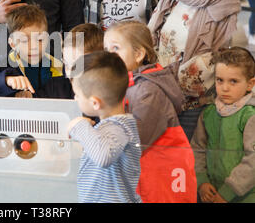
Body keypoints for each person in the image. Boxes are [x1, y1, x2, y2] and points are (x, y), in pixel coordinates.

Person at [148, 0, 241, 141]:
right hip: (156, 93)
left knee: (187, 166)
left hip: (194, 104)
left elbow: (216, 57)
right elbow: (153, 32)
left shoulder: (224, 0)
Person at [104, 20, 197, 203]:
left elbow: (139, 138)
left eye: (115, 49)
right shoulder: (128, 84)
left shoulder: (148, 90)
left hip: (162, 175)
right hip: (146, 173)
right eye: (106, 50)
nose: (109, 56)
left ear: (138, 54)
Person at [67, 51, 141, 203]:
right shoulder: (112, 126)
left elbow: (103, 156)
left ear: (95, 103)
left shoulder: (119, 128)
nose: (75, 98)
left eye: (77, 95)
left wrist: (80, 126)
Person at [191, 47, 255, 203]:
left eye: (233, 81)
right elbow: (198, 148)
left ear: (250, 84)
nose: (225, 88)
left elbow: (253, 161)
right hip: (212, 193)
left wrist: (227, 192)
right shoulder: (209, 113)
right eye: (220, 80)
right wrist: (202, 181)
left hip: (244, 197)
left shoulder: (249, 116)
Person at [0, 4, 63, 95]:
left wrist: (33, 97)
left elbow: (60, 95)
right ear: (12, 44)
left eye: (40, 39)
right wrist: (6, 82)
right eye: (24, 40)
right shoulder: (3, 68)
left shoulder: (57, 67)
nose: (34, 46)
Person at [31, 23, 104, 99]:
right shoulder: (56, 88)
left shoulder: (110, 94)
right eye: (67, 65)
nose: (70, 73)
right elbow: (32, 102)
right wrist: (21, 93)